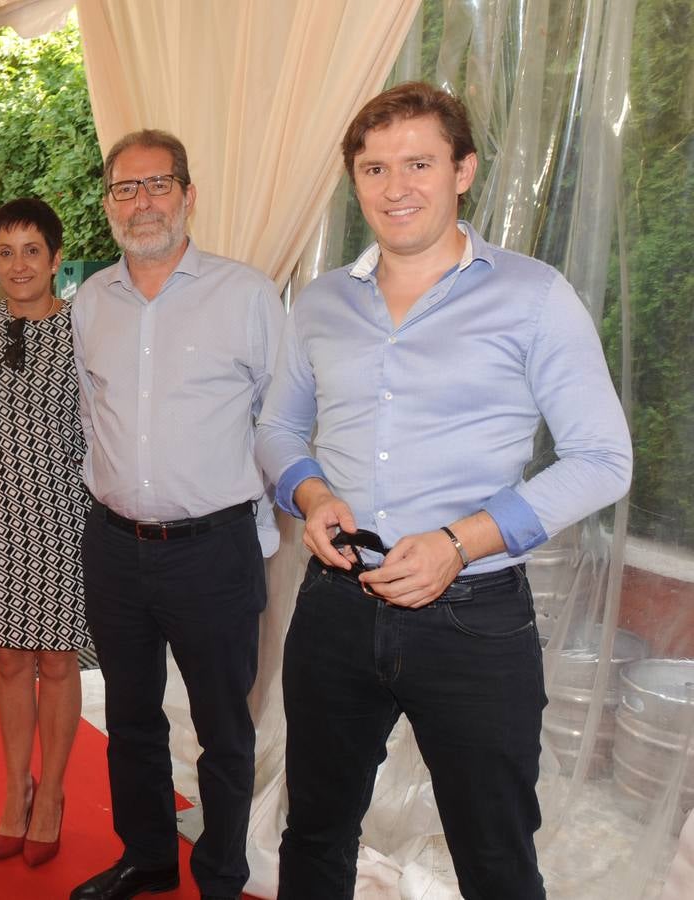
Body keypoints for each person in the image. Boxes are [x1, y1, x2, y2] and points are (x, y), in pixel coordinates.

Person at [255, 82, 633, 900]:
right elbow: (277, 431)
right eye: (374, 168)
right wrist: (311, 495)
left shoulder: (532, 296)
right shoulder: (319, 304)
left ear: (462, 171)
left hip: (474, 617)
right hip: (334, 607)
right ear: (354, 180)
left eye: (419, 163)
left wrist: (459, 542)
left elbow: (602, 457)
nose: (396, 188)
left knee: (494, 858)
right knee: (313, 835)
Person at [69, 131, 284, 900]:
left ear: (189, 196)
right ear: (107, 205)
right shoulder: (89, 302)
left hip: (214, 551)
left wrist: (258, 529)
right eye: (125, 189)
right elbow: (88, 419)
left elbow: (280, 420)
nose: (142, 202)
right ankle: (148, 856)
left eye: (157, 184)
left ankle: (221, 874)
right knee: (128, 717)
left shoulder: (247, 295)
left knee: (223, 729)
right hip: (114, 546)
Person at [0, 197, 91, 867]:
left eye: (31, 251)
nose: (17, 265)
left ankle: (52, 794)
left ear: (57, 260)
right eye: (5, 252)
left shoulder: (86, 329)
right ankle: (15, 789)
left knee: (56, 662)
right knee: (7, 660)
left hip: (65, 519)